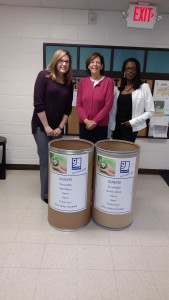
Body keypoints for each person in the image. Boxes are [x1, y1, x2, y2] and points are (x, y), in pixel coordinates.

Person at [31, 49, 73, 203]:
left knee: (57, 160)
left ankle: (56, 188)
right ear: (55, 61)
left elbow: (68, 108)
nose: (64, 64)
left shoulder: (69, 82)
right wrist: (47, 127)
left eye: (67, 61)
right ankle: (46, 194)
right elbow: (38, 103)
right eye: (61, 60)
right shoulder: (44, 76)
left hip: (57, 129)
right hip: (41, 127)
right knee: (46, 160)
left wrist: (60, 127)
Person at [108, 58, 155, 142]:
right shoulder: (118, 89)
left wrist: (133, 122)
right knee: (115, 153)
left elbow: (150, 111)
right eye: (128, 68)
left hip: (130, 127)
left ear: (137, 71)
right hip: (116, 127)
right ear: (124, 71)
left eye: (133, 69)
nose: (130, 71)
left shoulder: (143, 87)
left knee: (126, 153)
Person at [76, 52, 114, 144]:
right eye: (92, 62)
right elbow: (79, 105)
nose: (95, 64)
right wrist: (86, 120)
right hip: (84, 125)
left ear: (101, 66)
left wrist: (95, 121)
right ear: (88, 66)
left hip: (100, 125)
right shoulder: (83, 82)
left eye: (98, 62)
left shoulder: (109, 82)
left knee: (98, 154)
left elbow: (108, 105)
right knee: (85, 153)